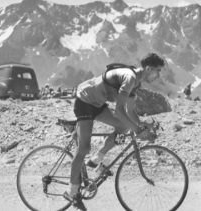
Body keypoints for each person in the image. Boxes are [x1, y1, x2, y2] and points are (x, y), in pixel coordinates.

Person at [63, 53, 165, 210]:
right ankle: (72, 191)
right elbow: (119, 111)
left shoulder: (136, 83)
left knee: (124, 127)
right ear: (148, 68)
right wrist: (138, 130)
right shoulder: (129, 78)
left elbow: (130, 112)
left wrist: (142, 125)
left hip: (97, 103)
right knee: (83, 149)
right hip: (84, 101)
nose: (158, 76)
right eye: (157, 71)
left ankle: (97, 159)